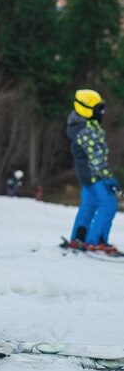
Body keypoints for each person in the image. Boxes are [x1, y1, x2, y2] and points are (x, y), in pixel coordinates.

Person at [67, 89, 122, 252]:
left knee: (89, 204)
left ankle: (78, 238)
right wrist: (110, 180)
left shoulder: (83, 126)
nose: (102, 112)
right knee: (109, 203)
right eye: (99, 109)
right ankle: (95, 240)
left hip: (88, 176)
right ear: (87, 109)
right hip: (94, 175)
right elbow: (96, 159)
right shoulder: (85, 131)